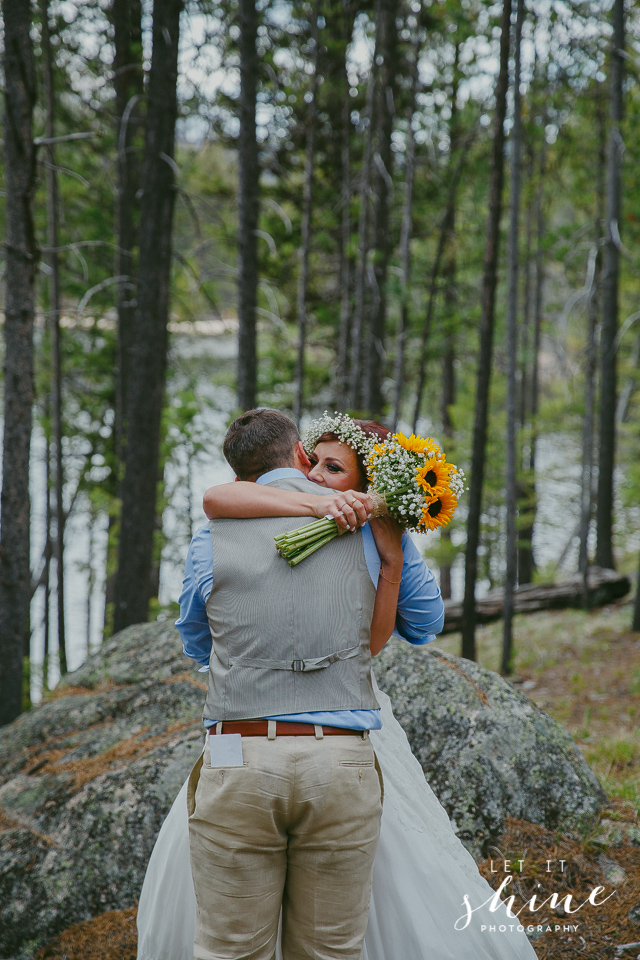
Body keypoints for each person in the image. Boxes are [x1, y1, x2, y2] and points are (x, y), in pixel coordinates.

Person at [137, 410, 538, 960]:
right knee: (332, 949)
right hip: (342, 754)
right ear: (300, 457)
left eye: (335, 467)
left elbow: (196, 640)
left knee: (228, 947)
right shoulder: (368, 532)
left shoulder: (215, 535)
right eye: (317, 462)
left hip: (240, 748)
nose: (322, 475)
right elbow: (422, 624)